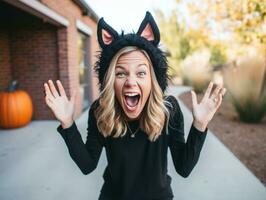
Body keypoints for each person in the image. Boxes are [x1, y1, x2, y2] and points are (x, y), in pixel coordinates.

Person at [44, 11, 226, 200]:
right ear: (110, 81)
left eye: (140, 73)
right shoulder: (101, 111)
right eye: (121, 73)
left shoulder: (169, 110)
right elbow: (87, 165)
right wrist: (67, 122)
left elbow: (184, 168)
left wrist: (200, 125)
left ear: (152, 79)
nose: (131, 82)